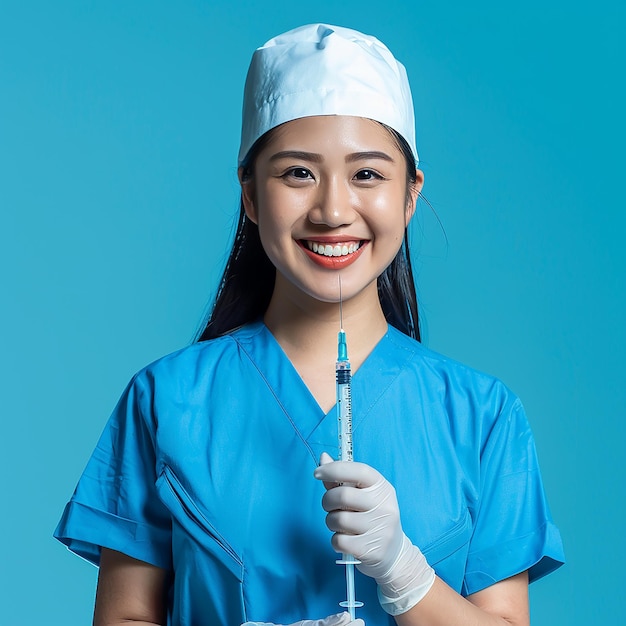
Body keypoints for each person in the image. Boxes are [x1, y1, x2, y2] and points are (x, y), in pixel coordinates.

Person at [54, 23, 564, 626]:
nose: (331, 210)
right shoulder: (167, 401)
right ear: (250, 194)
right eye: (297, 173)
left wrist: (405, 572)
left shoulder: (483, 417)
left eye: (367, 175)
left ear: (409, 194)